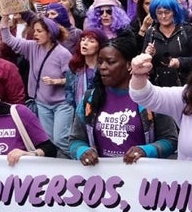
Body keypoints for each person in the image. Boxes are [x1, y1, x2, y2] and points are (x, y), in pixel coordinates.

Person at [69, 34, 178, 164]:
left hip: (142, 178)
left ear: (128, 65)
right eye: (100, 62)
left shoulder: (151, 97)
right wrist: (82, 151)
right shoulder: (90, 99)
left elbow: (171, 140)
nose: (102, 67)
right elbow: (75, 140)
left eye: (110, 62)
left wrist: (146, 151)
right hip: (103, 179)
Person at [0, 16, 73, 157]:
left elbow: (73, 80)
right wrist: (4, 22)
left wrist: (57, 81)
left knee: (60, 139)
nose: (35, 34)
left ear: (50, 33)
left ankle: (81, 160)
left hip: (62, 104)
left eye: (39, 31)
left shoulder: (63, 54)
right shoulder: (32, 46)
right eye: (35, 31)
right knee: (49, 142)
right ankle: (56, 170)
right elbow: (9, 40)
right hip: (42, 104)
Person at [142, 0, 192, 87]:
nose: (163, 16)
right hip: (159, 88)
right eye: (159, 13)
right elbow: (144, 67)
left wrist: (181, 62)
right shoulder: (151, 33)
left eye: (167, 12)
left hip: (186, 86)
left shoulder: (188, 31)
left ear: (174, 12)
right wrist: (149, 55)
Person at [65, 29, 108, 108]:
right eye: (83, 40)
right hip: (80, 113)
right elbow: (68, 90)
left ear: (100, 46)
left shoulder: (105, 69)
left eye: (91, 41)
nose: (85, 43)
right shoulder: (75, 66)